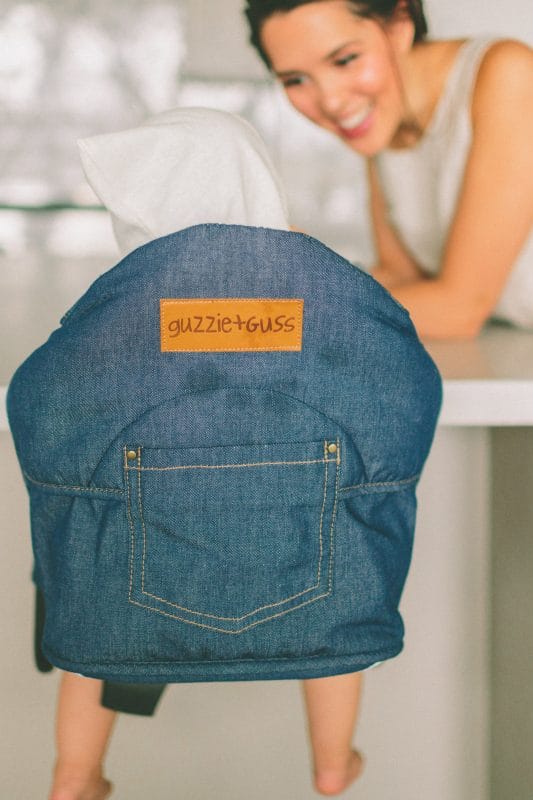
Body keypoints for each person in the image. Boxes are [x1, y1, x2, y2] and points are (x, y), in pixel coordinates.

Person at [46, 107, 371, 800]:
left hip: (143, 549)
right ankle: (331, 759)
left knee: (94, 586)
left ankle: (75, 774)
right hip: (296, 536)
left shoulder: (118, 311)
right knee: (340, 577)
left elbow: (62, 408)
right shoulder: (312, 291)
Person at [244, 0, 533, 339]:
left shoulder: (509, 73)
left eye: (345, 60)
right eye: (295, 80)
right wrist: (303, 266)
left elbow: (458, 311)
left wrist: (278, 316)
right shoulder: (385, 117)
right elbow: (403, 278)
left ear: (399, 22)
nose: (331, 101)